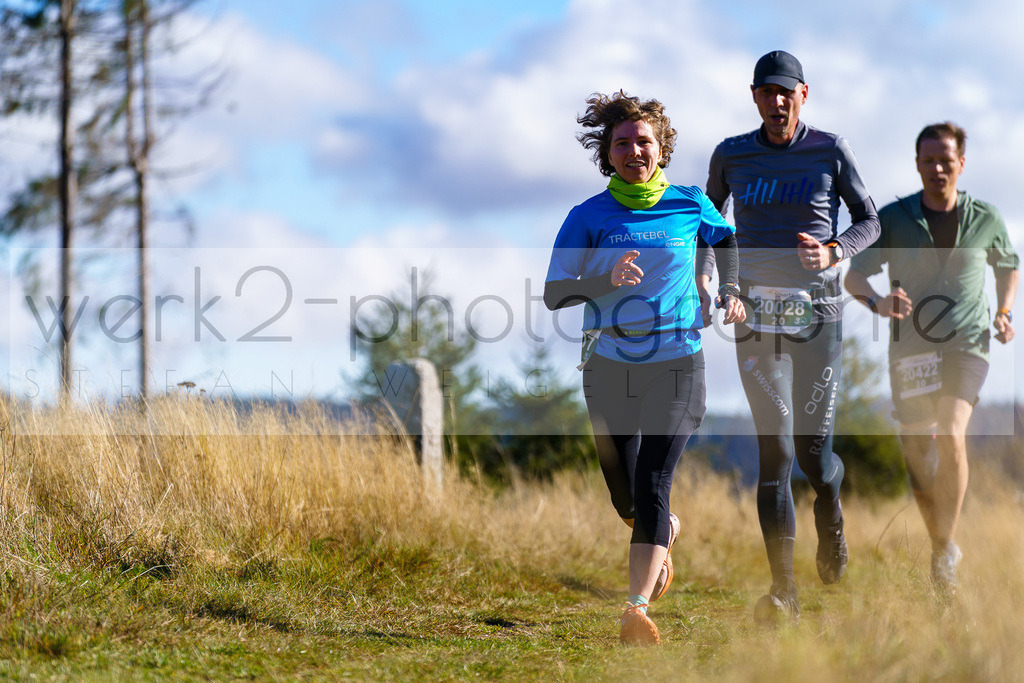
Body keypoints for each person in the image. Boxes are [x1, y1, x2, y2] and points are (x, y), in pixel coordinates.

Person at [544, 90, 744, 645]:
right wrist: (602, 281)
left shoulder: (689, 201)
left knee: (655, 478)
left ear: (662, 148)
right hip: (609, 363)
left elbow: (725, 239)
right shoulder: (588, 216)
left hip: (679, 360)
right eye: (623, 142)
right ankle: (664, 532)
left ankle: (635, 608)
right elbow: (555, 292)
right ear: (608, 154)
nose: (635, 150)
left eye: (645, 141)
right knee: (628, 496)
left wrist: (728, 287)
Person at [698, 50, 880, 624]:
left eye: (787, 92)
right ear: (754, 97)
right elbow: (710, 224)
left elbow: (870, 220)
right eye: (766, 92)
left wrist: (834, 250)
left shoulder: (831, 149)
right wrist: (713, 280)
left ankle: (830, 505)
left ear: (804, 95)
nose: (777, 102)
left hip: (818, 317)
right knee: (774, 451)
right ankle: (785, 592)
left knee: (812, 453)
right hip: (756, 318)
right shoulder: (731, 155)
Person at [845, 121, 1019, 593]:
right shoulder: (896, 218)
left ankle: (944, 551)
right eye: (928, 160)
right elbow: (854, 277)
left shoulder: (986, 217)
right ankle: (940, 544)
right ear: (917, 165)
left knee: (951, 434)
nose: (937, 168)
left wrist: (1004, 312)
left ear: (962, 163)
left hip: (967, 343)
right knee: (917, 448)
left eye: (946, 159)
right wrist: (878, 303)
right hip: (911, 348)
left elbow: (1008, 265)